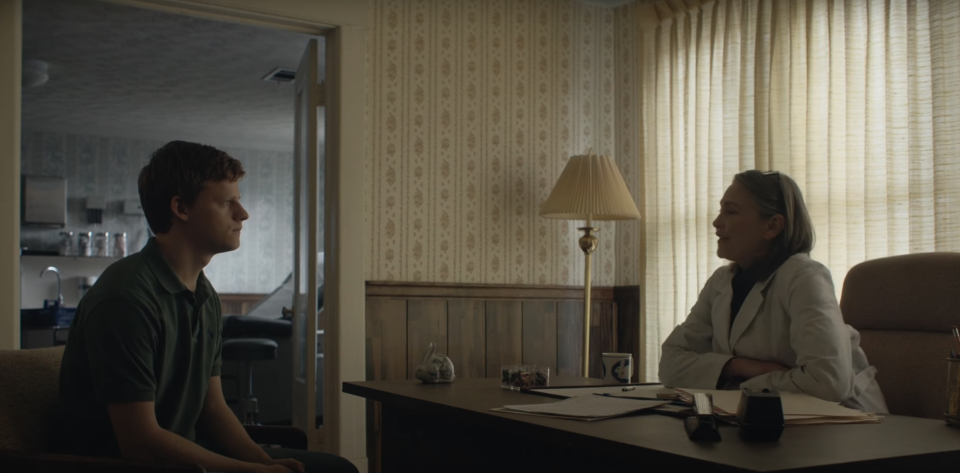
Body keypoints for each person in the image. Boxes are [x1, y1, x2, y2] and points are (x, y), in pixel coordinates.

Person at [51, 141, 358, 473]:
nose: (243, 214)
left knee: (335, 468)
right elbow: (140, 443)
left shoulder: (204, 294)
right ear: (181, 208)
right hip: (131, 466)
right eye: (227, 202)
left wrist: (267, 462)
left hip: (186, 456)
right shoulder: (125, 298)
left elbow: (213, 408)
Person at [658, 170, 888, 414]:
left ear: (772, 225)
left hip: (850, 428)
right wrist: (740, 366)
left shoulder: (804, 277)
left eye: (731, 211)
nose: (717, 222)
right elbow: (670, 365)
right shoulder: (721, 281)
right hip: (766, 422)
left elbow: (828, 384)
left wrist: (731, 384)